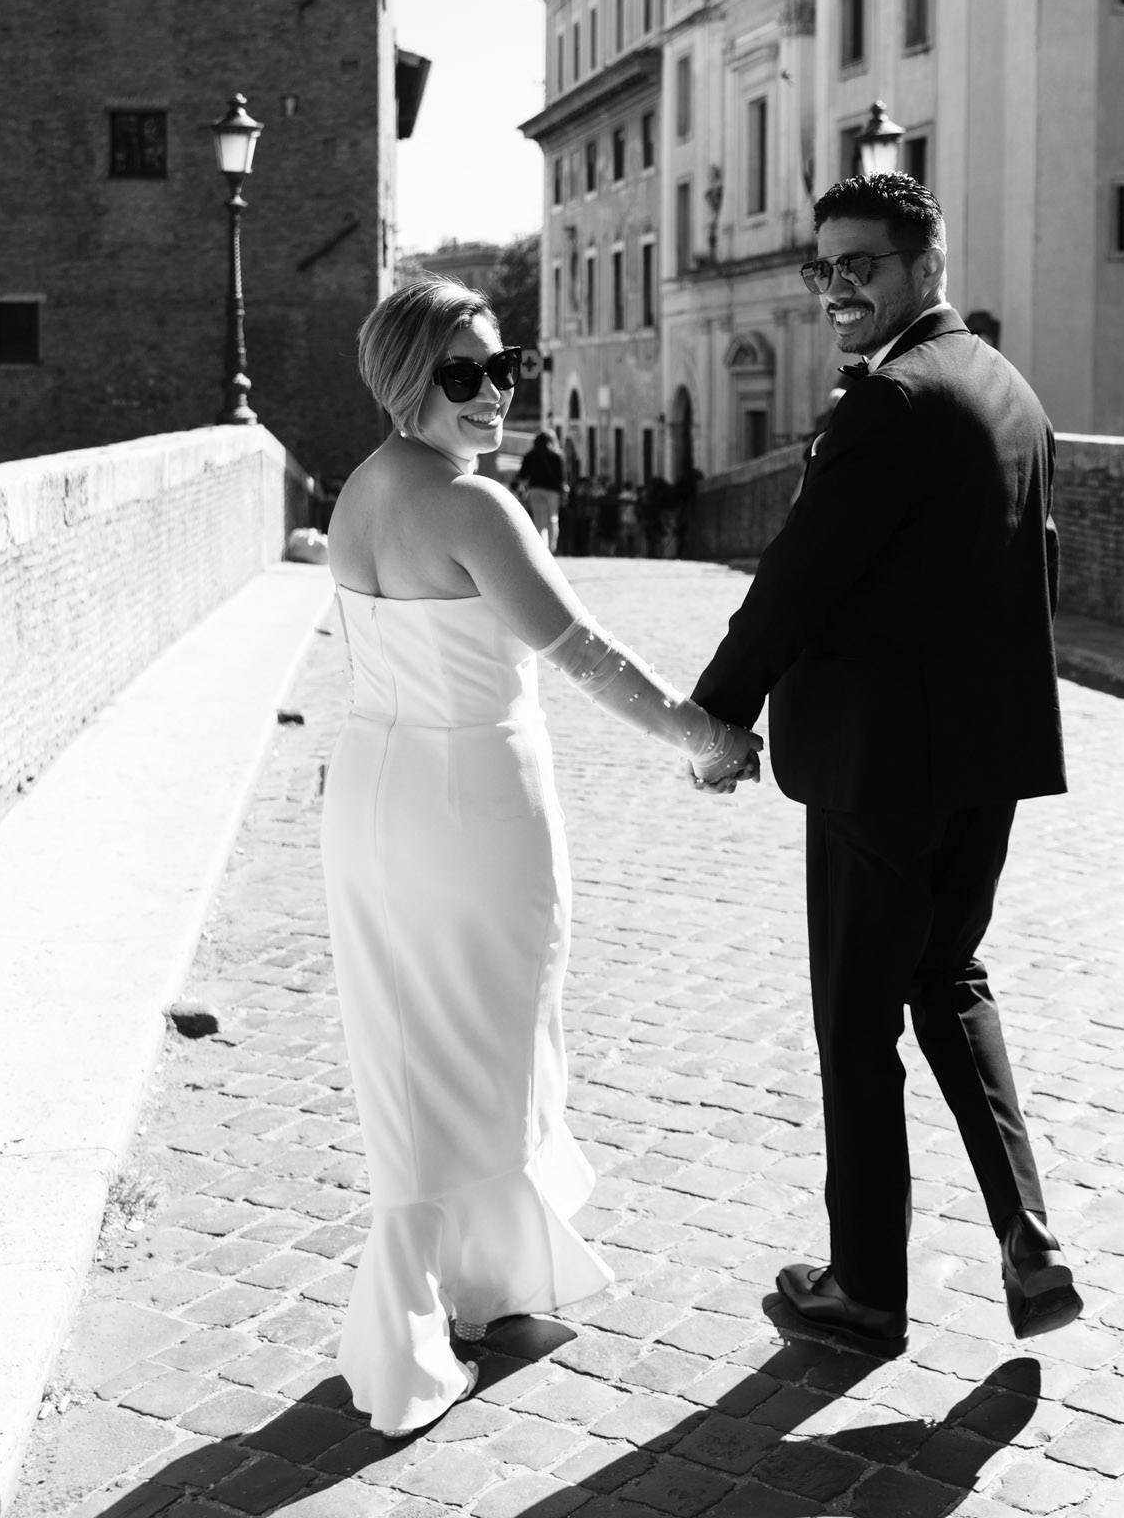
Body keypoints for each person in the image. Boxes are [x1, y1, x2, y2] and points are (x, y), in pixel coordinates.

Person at [321, 277, 761, 1434]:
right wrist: (704, 736)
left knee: (411, 1042)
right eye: (460, 373)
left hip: (370, 793)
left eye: (502, 363)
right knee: (491, 1034)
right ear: (403, 377)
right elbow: (586, 653)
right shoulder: (474, 507)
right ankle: (424, 1308)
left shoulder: (363, 490)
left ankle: (472, 1279)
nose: (492, 392)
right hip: (470, 799)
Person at [691, 173, 1081, 1358]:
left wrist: (718, 713)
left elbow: (799, 576)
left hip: (878, 771)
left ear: (926, 264)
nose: (835, 288)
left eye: (858, 263)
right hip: (985, 760)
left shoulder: (888, 402)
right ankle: (1028, 1237)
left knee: (856, 1025)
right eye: (822, 267)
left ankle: (863, 1285)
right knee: (949, 979)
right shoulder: (1006, 388)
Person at [517, 430, 565, 552]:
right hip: (552, 492)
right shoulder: (556, 456)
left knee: (539, 519)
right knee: (552, 519)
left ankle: (541, 549)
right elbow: (562, 478)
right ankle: (551, 548)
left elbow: (523, 475)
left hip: (535, 490)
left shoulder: (530, 456)